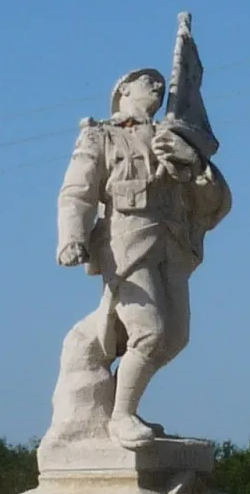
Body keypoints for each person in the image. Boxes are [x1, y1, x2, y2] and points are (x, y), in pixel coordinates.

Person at [51, 65, 231, 449]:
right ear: (122, 90)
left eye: (161, 82)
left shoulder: (175, 138)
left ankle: (116, 404)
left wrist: (195, 164)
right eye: (146, 80)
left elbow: (214, 203)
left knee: (176, 338)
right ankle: (121, 417)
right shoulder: (101, 135)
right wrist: (71, 238)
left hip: (174, 244)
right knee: (150, 333)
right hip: (127, 244)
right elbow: (77, 192)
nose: (158, 85)